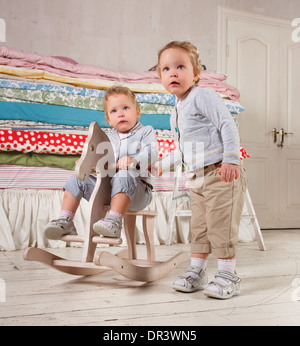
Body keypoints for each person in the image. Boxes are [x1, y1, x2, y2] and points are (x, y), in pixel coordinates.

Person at [155, 41, 247, 299]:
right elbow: (185, 148)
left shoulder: (203, 96)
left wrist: (231, 159)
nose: (173, 73)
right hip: (196, 177)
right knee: (200, 227)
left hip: (220, 172)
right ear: (160, 77)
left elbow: (227, 125)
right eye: (166, 69)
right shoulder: (175, 112)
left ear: (195, 74)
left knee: (220, 224)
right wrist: (163, 164)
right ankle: (198, 270)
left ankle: (229, 274)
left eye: (180, 66)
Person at [44, 86, 158, 239]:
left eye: (125, 108)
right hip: (109, 190)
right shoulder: (107, 138)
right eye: (114, 111)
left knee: (123, 175)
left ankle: (114, 221)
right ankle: (65, 220)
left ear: (137, 112)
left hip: (138, 192)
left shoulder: (145, 132)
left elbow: (152, 152)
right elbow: (98, 159)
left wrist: (134, 160)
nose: (121, 114)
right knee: (77, 179)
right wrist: (87, 163)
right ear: (109, 120)